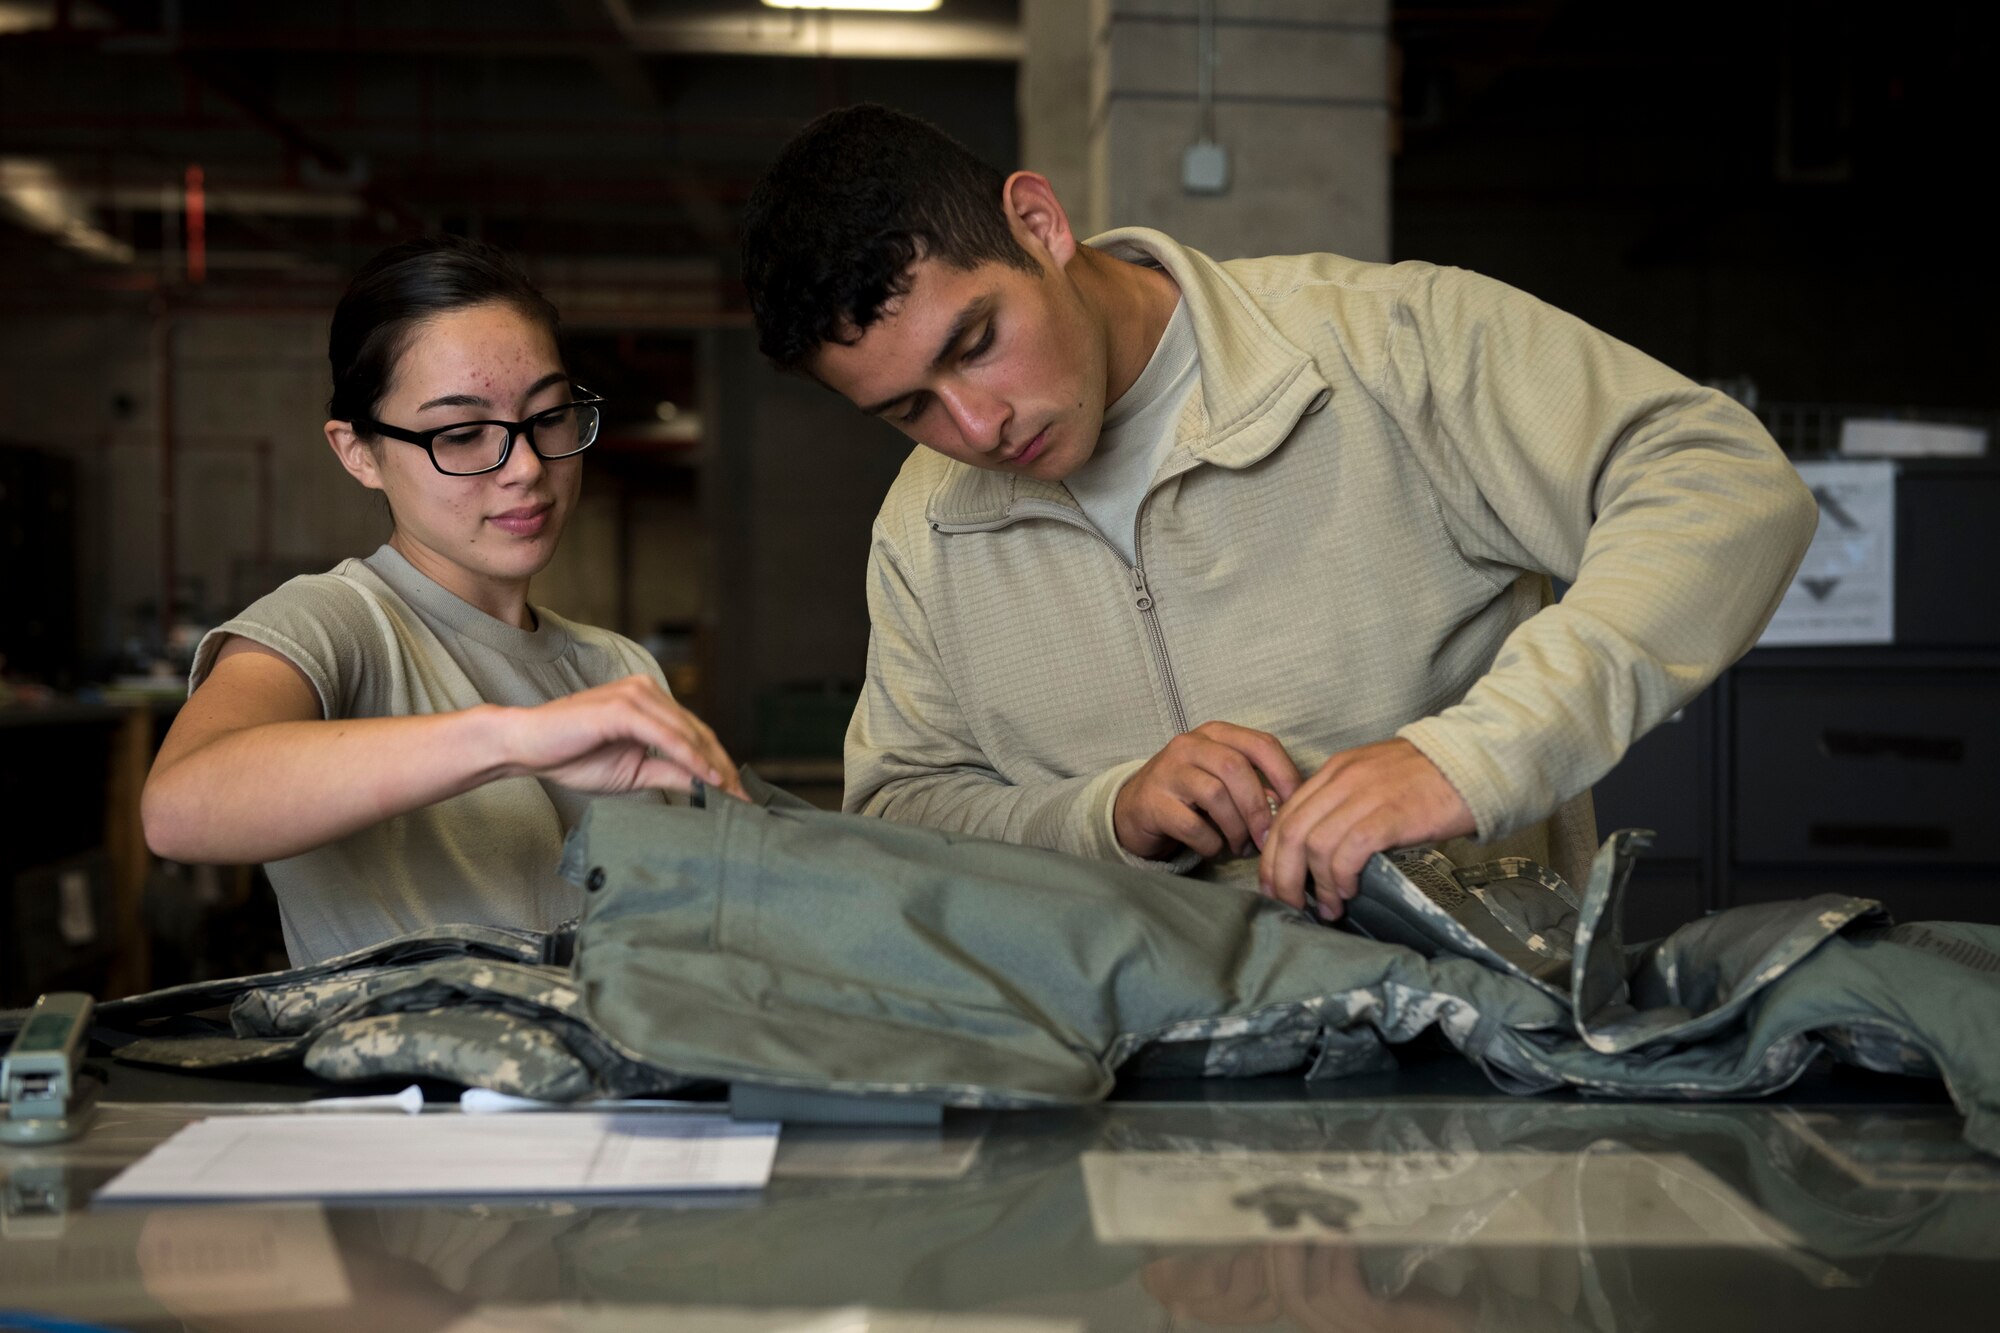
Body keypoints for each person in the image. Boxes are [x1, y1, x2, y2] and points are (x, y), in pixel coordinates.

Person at [740, 104, 1816, 919]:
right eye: (907, 409)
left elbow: (1719, 480)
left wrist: (1470, 756)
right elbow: (903, 812)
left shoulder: (1385, 348)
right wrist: (1107, 815)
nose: (974, 427)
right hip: (1121, 1085)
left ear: (1038, 222)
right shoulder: (924, 524)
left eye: (973, 343)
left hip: (1470, 1065)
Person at [142, 235, 743, 964]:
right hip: (413, 1077)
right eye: (461, 433)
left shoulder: (615, 665)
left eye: (549, 417)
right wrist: (511, 740)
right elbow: (180, 806)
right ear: (358, 452)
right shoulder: (339, 623)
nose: (524, 467)